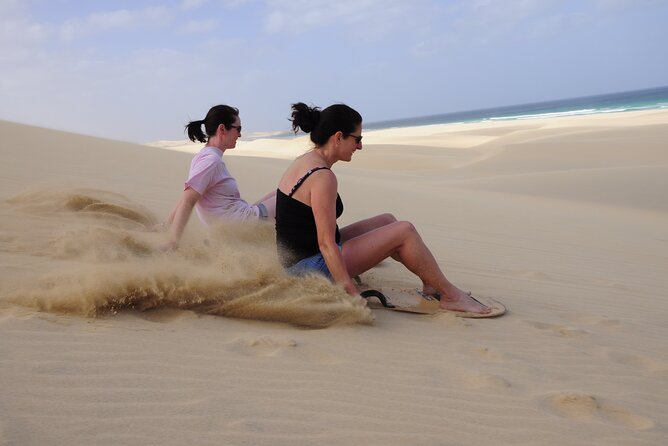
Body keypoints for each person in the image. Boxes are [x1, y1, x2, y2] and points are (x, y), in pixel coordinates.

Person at [275, 102, 490, 315]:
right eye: (357, 139)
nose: (360, 146)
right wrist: (350, 294)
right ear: (338, 137)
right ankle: (451, 296)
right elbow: (326, 244)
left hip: (298, 261)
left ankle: (432, 284)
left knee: (388, 221)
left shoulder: (305, 161)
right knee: (404, 230)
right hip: (307, 270)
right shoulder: (322, 177)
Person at [162, 104, 276, 250]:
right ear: (222, 129)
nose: (240, 135)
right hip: (240, 226)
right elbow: (188, 200)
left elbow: (186, 196)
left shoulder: (204, 156)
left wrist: (167, 225)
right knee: (292, 194)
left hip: (238, 220)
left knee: (283, 190)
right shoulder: (211, 161)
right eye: (238, 129)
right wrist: (174, 241)